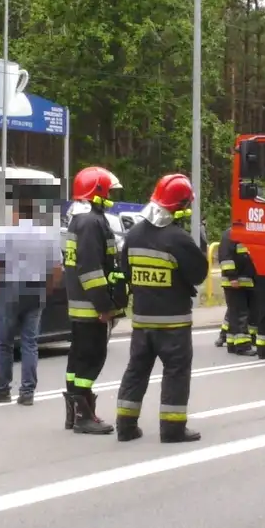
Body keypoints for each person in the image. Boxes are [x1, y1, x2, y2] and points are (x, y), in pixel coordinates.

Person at [113, 173, 210, 444]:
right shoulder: (178, 239)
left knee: (136, 371)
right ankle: (172, 429)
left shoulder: (132, 235)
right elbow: (199, 274)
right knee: (176, 374)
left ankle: (125, 426)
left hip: (142, 322)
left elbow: (126, 271)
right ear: (180, 206)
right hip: (174, 324)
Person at [0, 194, 62, 407]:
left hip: (10, 289)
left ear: (17, 213)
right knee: (30, 342)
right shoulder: (48, 235)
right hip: (36, 290)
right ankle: (27, 392)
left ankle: (2, 389)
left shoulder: (4, 234)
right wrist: (48, 288)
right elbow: (57, 268)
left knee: (5, 343)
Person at [61, 166, 123, 435]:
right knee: (91, 358)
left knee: (79, 360)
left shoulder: (81, 219)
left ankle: (75, 413)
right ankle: (83, 417)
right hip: (91, 308)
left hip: (81, 305)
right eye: (108, 188)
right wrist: (104, 306)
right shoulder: (91, 222)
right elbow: (91, 270)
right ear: (97, 191)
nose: (111, 193)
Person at [216, 224, 255, 355]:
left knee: (235, 314)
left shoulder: (246, 233)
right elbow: (225, 257)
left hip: (244, 281)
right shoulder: (231, 234)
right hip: (235, 281)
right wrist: (232, 276)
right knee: (240, 315)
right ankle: (243, 346)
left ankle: (232, 344)